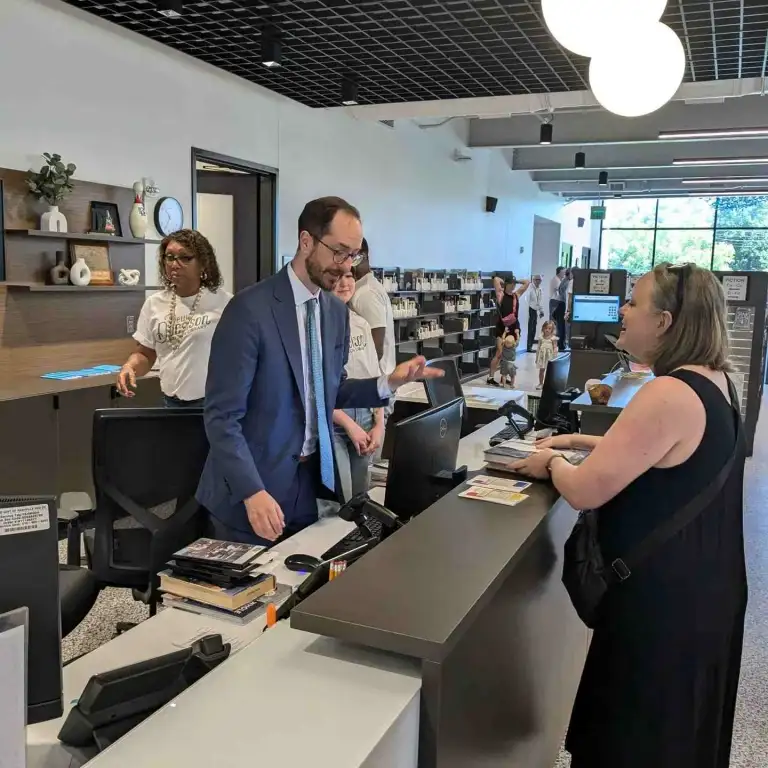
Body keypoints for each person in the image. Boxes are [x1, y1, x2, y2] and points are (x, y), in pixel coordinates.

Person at [512, 263, 747, 768]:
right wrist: (576, 439)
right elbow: (670, 454)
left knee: (632, 737)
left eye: (634, 303)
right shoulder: (719, 382)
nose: (621, 310)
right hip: (706, 591)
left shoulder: (666, 392)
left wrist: (552, 461)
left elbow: (585, 490)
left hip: (660, 606)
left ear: (664, 321)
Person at [196, 197, 442, 545]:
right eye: (339, 252)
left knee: (302, 590)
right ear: (306, 241)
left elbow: (332, 390)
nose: (346, 268)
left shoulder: (334, 313)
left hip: (310, 483)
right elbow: (222, 417)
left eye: (354, 255)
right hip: (251, 491)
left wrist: (388, 382)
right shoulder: (249, 311)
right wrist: (251, 491)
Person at [116, 229, 231, 407]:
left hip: (212, 405)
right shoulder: (154, 303)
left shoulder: (225, 304)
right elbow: (146, 353)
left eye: (185, 258)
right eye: (169, 257)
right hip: (171, 403)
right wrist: (130, 367)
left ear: (203, 264)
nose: (175, 264)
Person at [331, 267, 384, 502]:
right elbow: (315, 389)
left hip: (365, 416)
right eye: (337, 277)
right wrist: (350, 426)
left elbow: (375, 377)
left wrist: (379, 423)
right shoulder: (318, 328)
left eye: (349, 276)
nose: (345, 283)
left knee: (363, 500)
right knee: (339, 504)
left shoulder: (361, 324)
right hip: (335, 421)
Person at [350, 238, 396, 376]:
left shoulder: (366, 293)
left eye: (352, 256)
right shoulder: (364, 287)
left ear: (363, 256)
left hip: (374, 378)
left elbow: (377, 349)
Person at [487, 274, 529, 387]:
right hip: (502, 327)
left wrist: (517, 280)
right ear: (507, 284)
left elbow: (527, 282)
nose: (513, 286)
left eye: (514, 284)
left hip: (514, 326)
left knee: (510, 352)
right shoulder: (501, 294)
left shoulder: (516, 295)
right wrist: (506, 281)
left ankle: (504, 375)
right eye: (511, 284)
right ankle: (490, 377)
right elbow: (496, 279)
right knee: (500, 353)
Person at [524, 274, 545, 352]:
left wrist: (541, 310)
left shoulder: (539, 289)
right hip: (530, 310)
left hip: (535, 310)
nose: (539, 281)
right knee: (530, 329)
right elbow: (527, 301)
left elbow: (539, 301)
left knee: (533, 329)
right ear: (534, 280)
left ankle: (530, 346)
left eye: (540, 280)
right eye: (538, 279)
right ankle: (528, 346)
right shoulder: (530, 288)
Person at [535, 320, 558, 388]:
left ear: (552, 330)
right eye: (546, 328)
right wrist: (537, 358)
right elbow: (538, 348)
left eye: (549, 328)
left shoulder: (553, 338)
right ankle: (541, 383)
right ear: (543, 328)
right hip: (542, 357)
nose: (547, 330)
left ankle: (549, 384)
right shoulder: (541, 337)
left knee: (550, 372)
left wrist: (555, 357)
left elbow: (555, 348)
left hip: (549, 357)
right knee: (541, 370)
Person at [553, 268, 571, 351]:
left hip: (560, 304)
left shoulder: (564, 281)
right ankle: (561, 344)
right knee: (562, 326)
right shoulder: (568, 282)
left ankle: (561, 344)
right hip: (563, 304)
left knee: (561, 326)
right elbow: (566, 296)